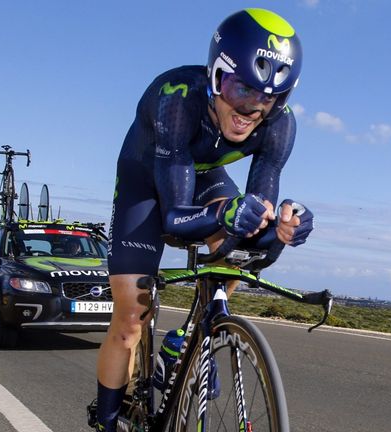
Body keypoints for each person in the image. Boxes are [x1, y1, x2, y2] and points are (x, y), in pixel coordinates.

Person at [93, 8, 314, 431]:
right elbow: (174, 220)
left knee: (238, 230)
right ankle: (106, 421)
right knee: (129, 318)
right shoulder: (176, 98)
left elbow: (256, 244)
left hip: (205, 176)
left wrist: (284, 230)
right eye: (242, 89)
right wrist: (226, 214)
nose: (253, 108)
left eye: (271, 98)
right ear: (216, 76)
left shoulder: (280, 126)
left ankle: (187, 341)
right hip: (148, 178)